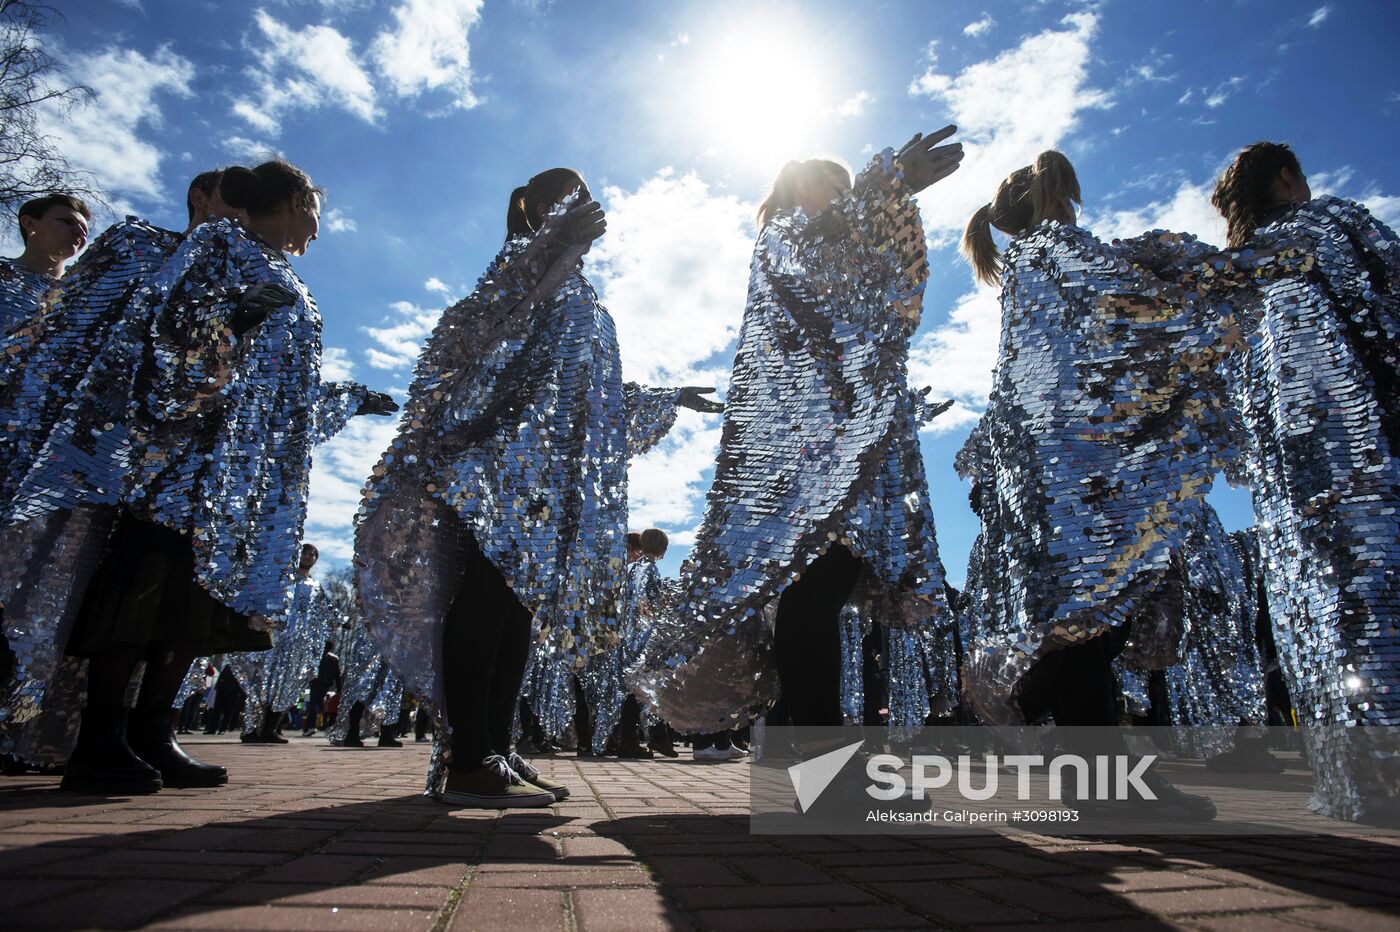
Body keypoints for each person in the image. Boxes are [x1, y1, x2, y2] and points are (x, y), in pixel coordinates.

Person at [17, 159, 396, 794]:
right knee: (141, 595)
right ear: (288, 202)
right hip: (183, 466)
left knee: (191, 609)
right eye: (314, 211)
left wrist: (347, 399)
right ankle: (99, 737)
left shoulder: (289, 279)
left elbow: (283, 393)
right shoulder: (220, 246)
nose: (318, 226)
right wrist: (239, 322)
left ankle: (152, 730)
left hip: (241, 478)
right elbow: (169, 342)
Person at [356, 168, 720, 808]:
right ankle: (468, 756)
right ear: (532, 207)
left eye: (584, 197)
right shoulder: (518, 274)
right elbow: (473, 336)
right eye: (563, 198)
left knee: (517, 610)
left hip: (546, 484)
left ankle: (495, 746)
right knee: (487, 600)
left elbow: (591, 397)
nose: (581, 207)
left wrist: (667, 398)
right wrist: (546, 251)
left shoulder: (578, 291)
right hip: (494, 472)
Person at [955, 150, 1300, 820]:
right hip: (1079, 469)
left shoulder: (1030, 262)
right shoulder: (1055, 247)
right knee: (1093, 624)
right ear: (1057, 193)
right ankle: (1091, 777)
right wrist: (1213, 296)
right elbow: (1133, 305)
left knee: (1095, 620)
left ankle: (1082, 758)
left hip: (1055, 467)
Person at [630, 129, 963, 735]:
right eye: (838, 191)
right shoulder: (783, 240)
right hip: (802, 474)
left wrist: (891, 200)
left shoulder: (825, 248)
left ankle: (809, 749)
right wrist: (887, 185)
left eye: (849, 193)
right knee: (812, 597)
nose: (847, 204)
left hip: (848, 457)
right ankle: (817, 752)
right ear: (807, 190)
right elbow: (824, 253)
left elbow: (880, 302)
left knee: (821, 596)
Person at [0, 174, 234, 769]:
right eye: (64, 221)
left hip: (123, 464)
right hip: (46, 446)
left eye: (83, 224)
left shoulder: (226, 276)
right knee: (22, 578)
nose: (78, 233)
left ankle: (60, 729)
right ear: (201, 200)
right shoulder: (138, 248)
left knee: (82, 594)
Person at [1211, 141, 1399, 820]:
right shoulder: (1331, 227)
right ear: (1287, 180)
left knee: (1326, 618)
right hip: (1372, 455)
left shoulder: (1239, 278)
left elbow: (1229, 398)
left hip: (1290, 490)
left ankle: (1362, 780)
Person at [235, 544, 339, 744]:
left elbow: (328, 610)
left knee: (288, 685)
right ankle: (250, 729)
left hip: (297, 646)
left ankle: (269, 729)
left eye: (313, 554)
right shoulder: (282, 578)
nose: (309, 556)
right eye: (306, 552)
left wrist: (343, 620)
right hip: (275, 639)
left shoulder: (315, 586)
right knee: (262, 683)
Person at [1, 193, 89, 330]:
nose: (80, 232)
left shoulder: (83, 297)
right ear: (29, 223)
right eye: (67, 222)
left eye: (85, 230)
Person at [302, 638, 341, 735]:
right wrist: (339, 688)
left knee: (312, 705)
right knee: (318, 704)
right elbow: (337, 675)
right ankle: (312, 726)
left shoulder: (317, 657)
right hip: (327, 684)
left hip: (316, 683)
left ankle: (310, 726)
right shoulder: (334, 659)